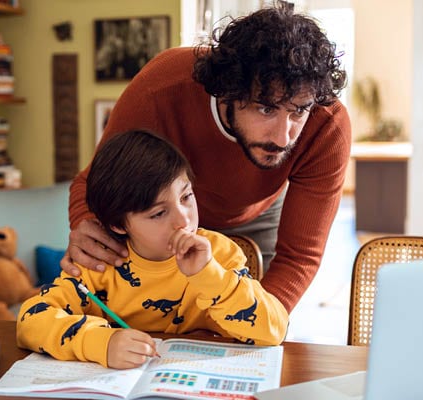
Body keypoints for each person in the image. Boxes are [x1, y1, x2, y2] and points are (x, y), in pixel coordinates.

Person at [63, 3, 350, 313]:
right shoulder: (160, 90)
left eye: (298, 111)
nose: (284, 138)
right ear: (228, 90)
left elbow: (299, 256)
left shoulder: (327, 125)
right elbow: (92, 184)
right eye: (266, 109)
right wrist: (87, 225)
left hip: (259, 216)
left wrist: (260, 323)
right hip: (164, 217)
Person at [17, 130, 288, 369]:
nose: (183, 220)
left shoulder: (220, 254)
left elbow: (274, 330)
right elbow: (30, 320)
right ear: (118, 224)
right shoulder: (98, 264)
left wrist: (210, 276)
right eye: (158, 213)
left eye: (186, 196)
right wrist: (100, 343)